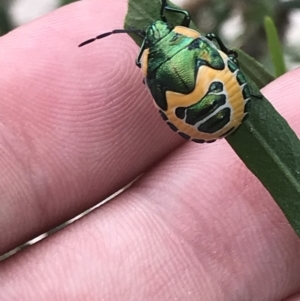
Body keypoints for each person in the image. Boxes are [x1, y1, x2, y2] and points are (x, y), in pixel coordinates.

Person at [1, 0, 300, 299]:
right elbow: (222, 54)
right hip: (231, 100)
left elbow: (160, 93)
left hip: (201, 121)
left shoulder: (149, 66)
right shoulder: (189, 37)